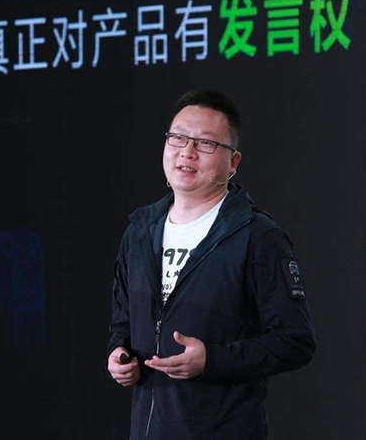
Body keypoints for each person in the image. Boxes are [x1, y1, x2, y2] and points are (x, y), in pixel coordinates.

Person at [107, 90, 315, 439]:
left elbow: (295, 341)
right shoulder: (140, 231)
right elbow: (122, 322)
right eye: (178, 138)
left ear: (233, 162)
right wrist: (118, 353)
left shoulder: (257, 235)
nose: (187, 152)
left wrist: (213, 360)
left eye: (205, 143)